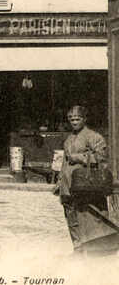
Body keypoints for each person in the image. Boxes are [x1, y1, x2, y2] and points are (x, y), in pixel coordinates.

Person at [56, 105, 119, 255]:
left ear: (84, 119)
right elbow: (65, 162)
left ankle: (99, 248)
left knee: (89, 215)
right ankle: (78, 247)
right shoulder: (69, 139)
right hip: (68, 184)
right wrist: (60, 181)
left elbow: (101, 158)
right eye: (71, 119)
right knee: (71, 216)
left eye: (77, 119)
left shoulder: (94, 137)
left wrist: (78, 157)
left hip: (85, 184)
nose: (74, 122)